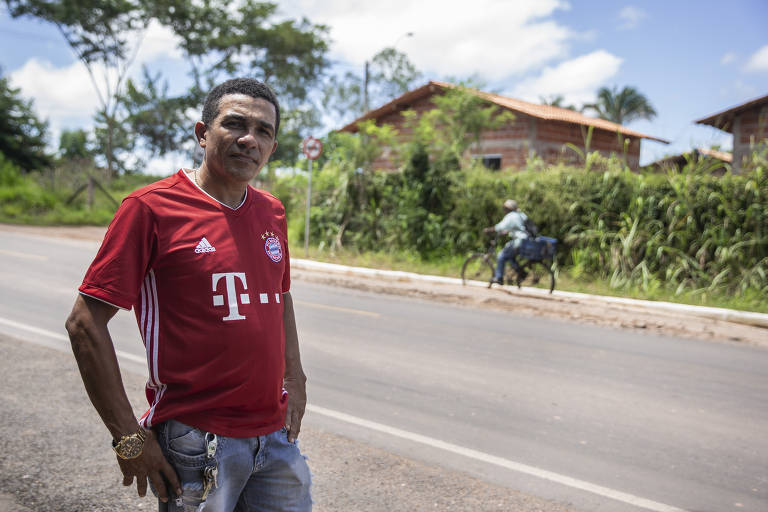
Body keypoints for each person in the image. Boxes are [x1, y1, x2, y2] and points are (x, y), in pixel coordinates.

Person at [65, 78, 312, 512]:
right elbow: (84, 323)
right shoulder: (150, 209)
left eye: (264, 131)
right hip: (197, 442)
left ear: (272, 147)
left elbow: (281, 295)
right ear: (202, 134)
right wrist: (127, 437)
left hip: (274, 439)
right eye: (234, 124)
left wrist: (295, 377)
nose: (249, 139)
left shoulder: (272, 211)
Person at [484, 199, 530, 285]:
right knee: (509, 256)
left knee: (501, 255)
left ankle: (499, 278)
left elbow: (500, 227)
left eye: (505, 208)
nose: (504, 210)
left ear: (509, 209)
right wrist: (505, 232)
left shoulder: (511, 216)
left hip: (518, 241)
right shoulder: (521, 215)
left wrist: (489, 230)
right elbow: (517, 227)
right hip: (526, 240)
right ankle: (521, 272)